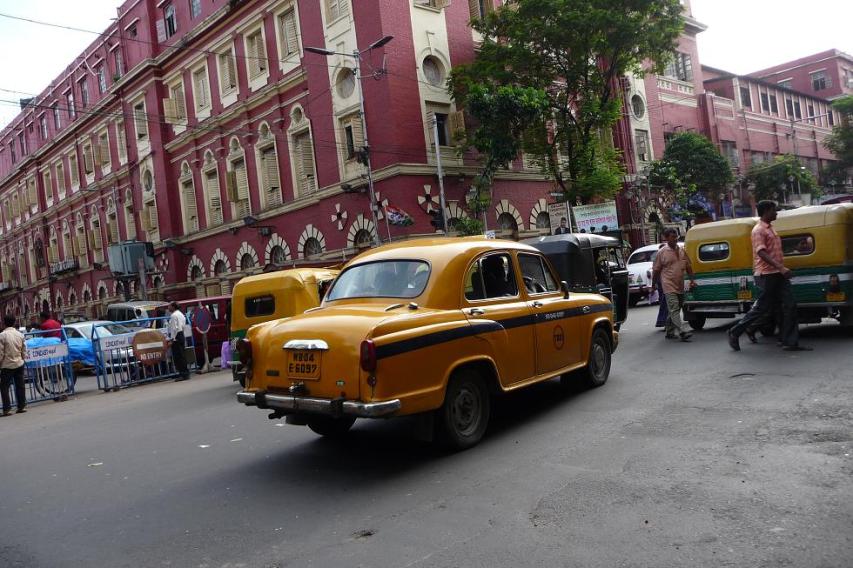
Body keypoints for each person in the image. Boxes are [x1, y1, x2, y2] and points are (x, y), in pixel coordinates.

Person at [728, 200, 810, 352]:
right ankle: (735, 331)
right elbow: (761, 252)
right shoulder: (758, 230)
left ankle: (789, 342)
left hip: (778, 274)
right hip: (767, 275)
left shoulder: (771, 228)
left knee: (789, 306)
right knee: (762, 308)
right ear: (766, 211)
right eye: (774, 210)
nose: (776, 212)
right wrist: (781, 267)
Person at [651, 228, 696, 342]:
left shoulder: (681, 250)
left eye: (676, 237)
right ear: (666, 238)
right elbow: (656, 270)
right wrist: (653, 285)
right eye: (672, 237)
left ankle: (669, 331)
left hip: (679, 284)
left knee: (677, 307)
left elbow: (688, 266)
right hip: (668, 284)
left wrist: (692, 279)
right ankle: (682, 331)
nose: (675, 239)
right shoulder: (662, 252)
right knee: (674, 307)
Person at [0, 314, 28, 416]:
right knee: (20, 386)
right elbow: (24, 350)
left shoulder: (2, 335)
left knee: (4, 387)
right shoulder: (20, 335)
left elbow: (1, 353)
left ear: (4, 323)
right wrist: (23, 359)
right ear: (14, 322)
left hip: (7, 365)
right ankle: (22, 406)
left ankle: (7, 409)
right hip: (19, 363)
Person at [166, 302, 191, 381]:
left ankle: (183, 374)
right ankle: (185, 373)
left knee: (178, 356)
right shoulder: (181, 314)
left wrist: (172, 340)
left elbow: (174, 329)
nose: (168, 308)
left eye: (169, 306)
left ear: (173, 307)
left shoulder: (173, 315)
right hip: (181, 335)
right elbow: (182, 326)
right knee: (182, 355)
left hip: (176, 336)